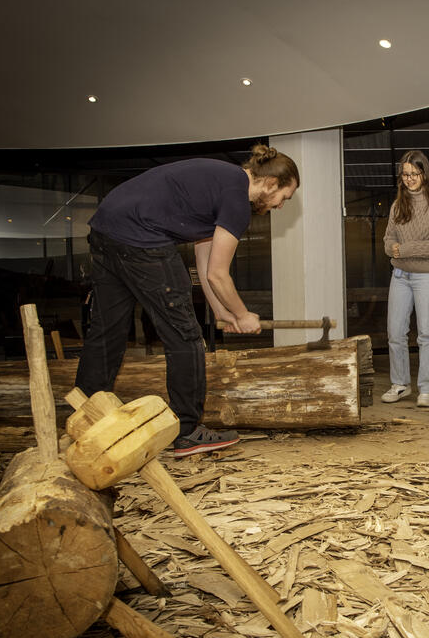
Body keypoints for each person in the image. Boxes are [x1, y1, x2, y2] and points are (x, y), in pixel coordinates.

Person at [76, 144, 299, 457]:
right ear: (270, 184)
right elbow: (220, 275)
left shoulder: (221, 182)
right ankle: (187, 431)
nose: (279, 205)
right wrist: (244, 314)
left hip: (106, 229)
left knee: (106, 331)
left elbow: (207, 269)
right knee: (184, 335)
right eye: (283, 198)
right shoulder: (236, 198)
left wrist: (224, 314)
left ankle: (84, 419)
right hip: (142, 239)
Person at [381, 150, 429, 407]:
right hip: (400, 275)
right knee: (395, 333)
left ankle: (427, 388)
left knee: (426, 333)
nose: (410, 178)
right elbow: (388, 239)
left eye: (414, 173)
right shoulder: (397, 206)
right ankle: (400, 384)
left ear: (425, 174)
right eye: (405, 174)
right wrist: (392, 249)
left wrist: (408, 249)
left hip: (427, 278)